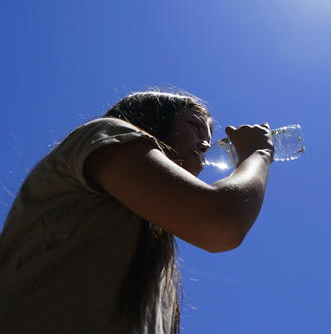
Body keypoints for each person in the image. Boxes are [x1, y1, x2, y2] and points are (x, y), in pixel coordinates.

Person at [0, 90, 274, 333]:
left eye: (208, 140)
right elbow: (222, 222)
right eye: (194, 126)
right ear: (151, 120)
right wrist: (257, 154)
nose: (205, 146)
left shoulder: (152, 250)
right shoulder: (104, 133)